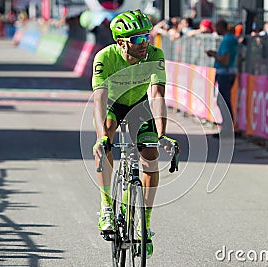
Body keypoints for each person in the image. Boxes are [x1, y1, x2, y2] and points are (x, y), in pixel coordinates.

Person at [91, 9, 178, 259]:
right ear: (121, 42)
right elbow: (99, 99)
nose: (144, 43)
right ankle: (107, 206)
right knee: (105, 138)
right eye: (138, 39)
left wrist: (162, 134)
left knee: (150, 156)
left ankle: (145, 224)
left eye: (146, 37)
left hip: (140, 105)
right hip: (113, 105)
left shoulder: (154, 54)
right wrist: (101, 137)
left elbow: (157, 94)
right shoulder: (104, 58)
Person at [205, 19, 238, 137]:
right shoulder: (230, 39)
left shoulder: (228, 40)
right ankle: (227, 128)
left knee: (224, 102)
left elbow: (225, 60)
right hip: (227, 73)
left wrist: (214, 55)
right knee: (223, 101)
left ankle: (227, 130)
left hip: (225, 73)